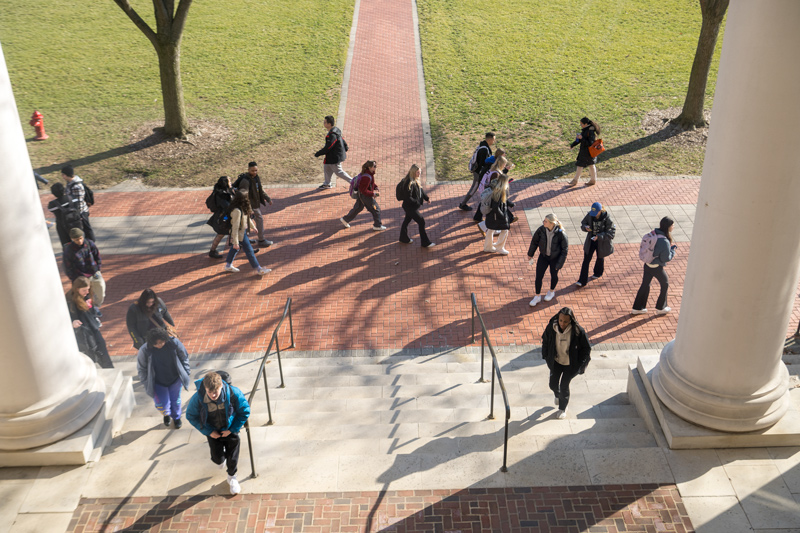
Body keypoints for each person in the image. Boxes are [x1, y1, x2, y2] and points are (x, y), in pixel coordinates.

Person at [186, 371, 251, 495]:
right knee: (217, 459)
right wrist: (209, 432)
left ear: (221, 385)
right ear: (205, 388)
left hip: (231, 429)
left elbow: (245, 410)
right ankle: (221, 460)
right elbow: (190, 415)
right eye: (209, 392)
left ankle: (232, 477)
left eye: (215, 391)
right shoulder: (197, 398)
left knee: (233, 456)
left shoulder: (233, 393)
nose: (213, 395)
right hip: (213, 431)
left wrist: (232, 429)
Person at [541, 307, 591, 419]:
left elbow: (586, 349)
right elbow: (545, 340)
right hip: (556, 362)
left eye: (565, 321)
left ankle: (563, 408)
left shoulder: (578, 331)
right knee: (553, 384)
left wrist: (580, 363)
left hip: (570, 364)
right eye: (560, 320)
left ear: (570, 321)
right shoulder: (551, 327)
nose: (562, 324)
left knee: (564, 386)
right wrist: (545, 355)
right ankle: (558, 395)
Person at [137, 328, 191, 429]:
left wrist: (186, 372)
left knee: (176, 401)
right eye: (156, 344)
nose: (160, 345)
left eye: (162, 342)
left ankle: (176, 418)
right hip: (157, 382)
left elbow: (184, 357)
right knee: (162, 404)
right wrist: (145, 382)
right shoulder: (145, 350)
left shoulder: (174, 343)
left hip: (175, 379)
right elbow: (141, 368)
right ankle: (166, 414)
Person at [631, 216, 678, 315]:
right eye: (672, 225)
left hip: (647, 264)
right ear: (668, 227)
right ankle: (661, 307)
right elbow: (665, 258)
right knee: (665, 284)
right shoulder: (664, 241)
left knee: (645, 284)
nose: (673, 226)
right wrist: (672, 251)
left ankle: (637, 308)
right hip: (656, 267)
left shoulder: (654, 234)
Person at [66, 277, 114, 368]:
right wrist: (73, 322)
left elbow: (92, 311)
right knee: (92, 355)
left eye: (88, 289)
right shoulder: (70, 302)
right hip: (84, 333)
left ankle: (109, 369)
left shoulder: (86, 297)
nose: (87, 292)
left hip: (94, 329)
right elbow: (68, 317)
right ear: (77, 289)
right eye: (84, 290)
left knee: (103, 353)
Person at [224, 191, 271, 275]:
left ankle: (228, 265)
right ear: (243, 199)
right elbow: (235, 228)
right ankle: (259, 269)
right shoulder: (237, 211)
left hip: (242, 232)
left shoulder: (242, 207)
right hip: (240, 234)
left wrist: (253, 227)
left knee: (235, 249)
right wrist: (235, 242)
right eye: (247, 198)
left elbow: (246, 218)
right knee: (249, 252)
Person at [527, 214, 569, 306]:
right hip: (544, 256)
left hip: (555, 258)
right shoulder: (541, 230)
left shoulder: (560, 233)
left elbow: (564, 250)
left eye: (545, 221)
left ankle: (551, 291)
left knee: (554, 276)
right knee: (538, 276)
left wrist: (559, 264)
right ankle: (537, 296)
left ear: (551, 223)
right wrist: (530, 254)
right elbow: (534, 242)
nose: (543, 222)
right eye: (544, 221)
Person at [232, 162, 273, 248]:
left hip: (255, 204)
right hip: (250, 206)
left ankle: (244, 239)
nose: (254, 172)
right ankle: (261, 240)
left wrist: (267, 198)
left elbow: (260, 189)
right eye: (252, 171)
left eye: (256, 170)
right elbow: (244, 195)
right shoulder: (245, 181)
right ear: (248, 170)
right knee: (257, 220)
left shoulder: (256, 178)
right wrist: (249, 208)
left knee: (246, 222)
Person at [63, 228, 106, 309]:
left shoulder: (89, 243)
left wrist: (98, 268)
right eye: (76, 239)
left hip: (94, 273)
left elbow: (97, 256)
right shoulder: (69, 251)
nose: (79, 241)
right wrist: (75, 278)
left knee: (101, 289)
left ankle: (96, 306)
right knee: (83, 295)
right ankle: (88, 309)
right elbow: (68, 267)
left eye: (80, 238)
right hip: (80, 277)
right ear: (72, 239)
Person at [576, 202, 615, 287]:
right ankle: (582, 280)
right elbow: (583, 223)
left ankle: (598, 272)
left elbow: (611, 233)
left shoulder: (607, 218)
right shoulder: (590, 215)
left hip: (601, 242)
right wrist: (585, 227)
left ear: (600, 211)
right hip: (591, 240)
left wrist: (599, 236)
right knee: (586, 259)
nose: (594, 215)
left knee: (600, 257)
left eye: (596, 213)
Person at [340, 160, 386, 231]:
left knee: (358, 208)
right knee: (376, 210)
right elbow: (363, 190)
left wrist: (375, 187)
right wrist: (373, 194)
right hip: (365, 196)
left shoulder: (368, 174)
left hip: (362, 196)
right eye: (374, 166)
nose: (376, 167)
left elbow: (370, 184)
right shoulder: (366, 177)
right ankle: (377, 225)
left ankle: (345, 219)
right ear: (370, 167)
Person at [397, 164, 435, 247]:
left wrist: (426, 198)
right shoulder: (409, 183)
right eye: (418, 172)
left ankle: (403, 238)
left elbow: (420, 190)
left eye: (420, 172)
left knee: (407, 220)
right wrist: (417, 202)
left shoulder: (415, 179)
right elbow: (408, 197)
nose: (419, 174)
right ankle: (425, 242)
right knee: (421, 221)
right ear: (413, 172)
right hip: (410, 207)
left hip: (411, 207)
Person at [459, 132, 495, 211]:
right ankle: (463, 204)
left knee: (482, 188)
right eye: (493, 140)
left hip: (480, 173)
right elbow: (482, 163)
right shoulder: (484, 150)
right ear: (490, 139)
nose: (494, 141)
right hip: (479, 173)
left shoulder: (482, 146)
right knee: (474, 188)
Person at [315, 115, 352, 189]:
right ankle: (327, 183)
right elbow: (341, 138)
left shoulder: (332, 135)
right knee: (327, 167)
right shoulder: (336, 130)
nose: (323, 123)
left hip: (334, 157)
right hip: (331, 156)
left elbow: (328, 147)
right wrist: (345, 146)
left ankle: (353, 182)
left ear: (329, 124)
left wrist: (319, 153)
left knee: (339, 172)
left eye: (325, 122)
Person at [483, 172, 514, 255]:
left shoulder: (495, 188)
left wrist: (510, 203)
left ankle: (488, 247)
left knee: (490, 230)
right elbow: (496, 206)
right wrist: (503, 216)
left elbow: (503, 200)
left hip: (491, 215)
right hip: (497, 216)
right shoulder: (499, 192)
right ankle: (499, 247)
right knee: (505, 230)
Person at [62, 165, 95, 241]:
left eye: (63, 175)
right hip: (78, 211)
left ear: (66, 175)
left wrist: (78, 214)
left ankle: (91, 243)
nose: (62, 177)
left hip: (81, 212)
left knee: (86, 229)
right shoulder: (70, 183)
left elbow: (78, 202)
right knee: (83, 229)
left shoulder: (76, 186)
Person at [567, 118, 601, 187]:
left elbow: (590, 143)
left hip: (587, 152)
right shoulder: (586, 130)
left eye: (581, 124)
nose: (581, 125)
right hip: (586, 152)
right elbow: (580, 140)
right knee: (591, 164)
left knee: (580, 164)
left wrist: (582, 138)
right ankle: (593, 180)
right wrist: (573, 144)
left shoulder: (590, 132)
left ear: (586, 124)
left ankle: (575, 180)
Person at [207, 176, 235, 259]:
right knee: (221, 233)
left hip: (225, 217)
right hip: (224, 218)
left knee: (224, 233)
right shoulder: (222, 195)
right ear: (225, 184)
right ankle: (212, 251)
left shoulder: (224, 191)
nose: (231, 183)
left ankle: (212, 251)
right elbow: (227, 206)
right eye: (229, 182)